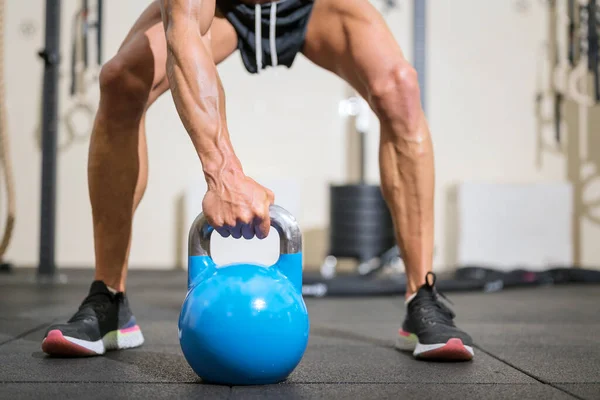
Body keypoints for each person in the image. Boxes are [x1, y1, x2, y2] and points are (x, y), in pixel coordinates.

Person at [41, 0, 474, 361]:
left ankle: (422, 297)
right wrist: (224, 173)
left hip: (313, 5)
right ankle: (109, 298)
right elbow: (185, 28)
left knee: (399, 86)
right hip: (225, 9)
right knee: (121, 79)